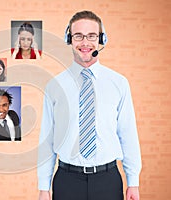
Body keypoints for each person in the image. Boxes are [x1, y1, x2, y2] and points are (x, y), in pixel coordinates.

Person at [38, 11, 142, 200]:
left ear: (101, 39)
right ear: (69, 39)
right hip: (67, 181)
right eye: (78, 36)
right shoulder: (54, 86)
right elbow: (47, 140)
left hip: (108, 180)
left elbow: (127, 133)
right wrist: (43, 187)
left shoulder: (118, 83)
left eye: (92, 36)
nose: (85, 43)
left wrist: (133, 181)